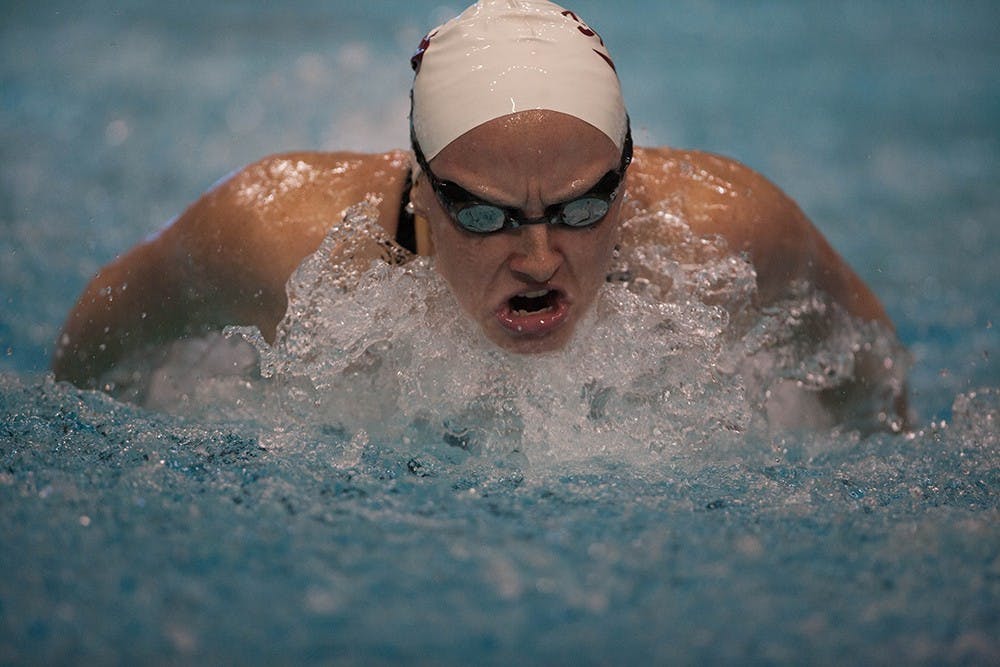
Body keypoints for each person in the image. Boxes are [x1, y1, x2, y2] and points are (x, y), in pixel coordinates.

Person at [52, 0, 905, 424]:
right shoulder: (275, 233)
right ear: (420, 185)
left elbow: (870, 370)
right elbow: (100, 338)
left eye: (581, 206)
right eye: (488, 216)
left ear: (628, 172)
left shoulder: (731, 226)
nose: (538, 257)